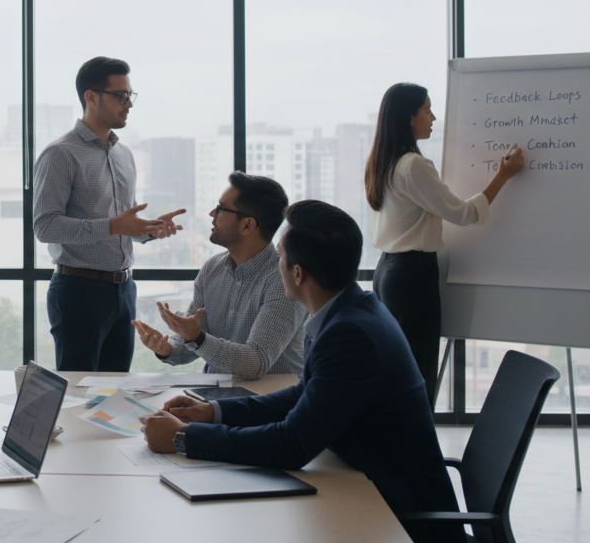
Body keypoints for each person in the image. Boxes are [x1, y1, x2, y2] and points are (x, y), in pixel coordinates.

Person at [140, 200, 463, 543]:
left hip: (396, 517)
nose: (275, 264)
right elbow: (304, 394)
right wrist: (212, 412)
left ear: (297, 273)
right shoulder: (352, 310)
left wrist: (182, 438)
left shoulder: (350, 335)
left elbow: (291, 444)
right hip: (363, 486)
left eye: (279, 256)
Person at [366, 82, 525, 402]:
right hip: (411, 274)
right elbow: (464, 214)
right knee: (418, 371)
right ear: (410, 117)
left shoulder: (382, 161)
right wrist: (503, 176)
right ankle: (416, 448)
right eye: (427, 110)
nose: (433, 117)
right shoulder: (414, 166)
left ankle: (401, 445)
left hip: (387, 271)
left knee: (397, 367)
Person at [33, 56, 185, 372]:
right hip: (79, 290)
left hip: (124, 289)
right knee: (79, 393)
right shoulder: (61, 153)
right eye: (121, 95)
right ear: (91, 97)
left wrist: (149, 229)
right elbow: (45, 226)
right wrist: (115, 225)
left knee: (116, 391)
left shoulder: (124, 155)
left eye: (130, 95)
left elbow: (121, 224)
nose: (128, 103)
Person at [130, 172, 305, 379]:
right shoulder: (212, 268)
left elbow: (255, 363)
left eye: (221, 208)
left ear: (247, 225)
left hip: (267, 403)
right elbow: (191, 343)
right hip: (214, 400)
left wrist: (197, 338)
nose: (212, 213)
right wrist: (166, 348)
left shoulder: (283, 279)